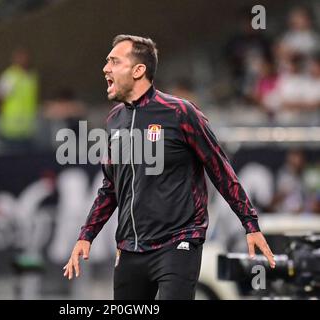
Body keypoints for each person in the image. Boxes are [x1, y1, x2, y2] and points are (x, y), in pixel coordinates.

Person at [63, 35, 275, 300]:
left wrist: (250, 223)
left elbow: (220, 169)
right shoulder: (114, 120)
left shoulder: (180, 113)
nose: (106, 68)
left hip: (178, 242)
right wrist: (86, 235)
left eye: (114, 62)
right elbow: (110, 187)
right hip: (130, 248)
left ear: (138, 70)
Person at [0, 47, 39, 150]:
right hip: (12, 126)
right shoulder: (10, 76)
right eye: (20, 58)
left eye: (25, 58)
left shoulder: (31, 76)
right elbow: (0, 96)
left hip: (28, 126)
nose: (23, 60)